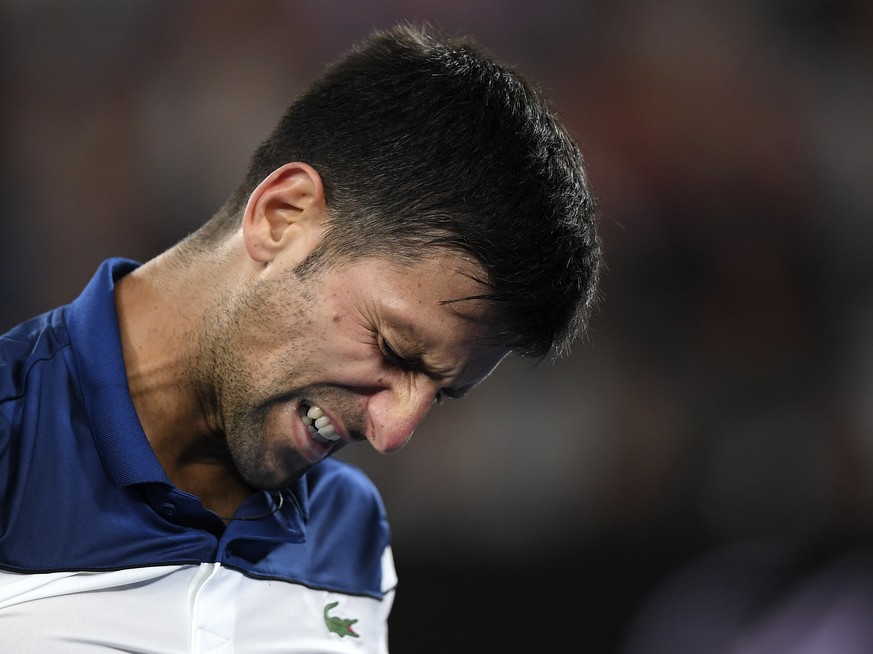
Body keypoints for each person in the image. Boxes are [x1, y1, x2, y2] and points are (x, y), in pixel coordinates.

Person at [0, 23, 601, 653]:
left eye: (441, 394)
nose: (394, 434)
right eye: (394, 349)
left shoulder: (352, 537)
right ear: (283, 217)